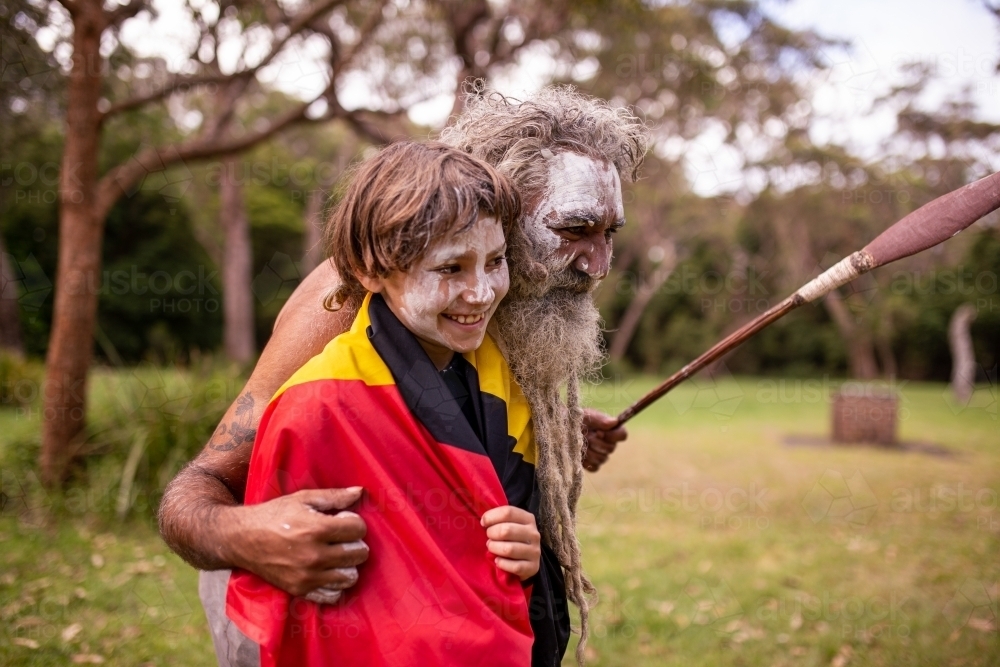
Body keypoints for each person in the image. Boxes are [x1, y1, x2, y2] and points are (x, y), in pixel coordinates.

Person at [159, 86, 648, 666]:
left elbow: (448, 412)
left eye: (608, 233)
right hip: (288, 610)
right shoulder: (346, 300)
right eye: (575, 231)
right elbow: (192, 494)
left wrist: (557, 429)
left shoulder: (496, 295)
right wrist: (255, 537)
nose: (599, 266)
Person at [226, 140, 566, 666]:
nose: (480, 293)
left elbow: (500, 514)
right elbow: (295, 612)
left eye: (495, 261)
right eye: (451, 268)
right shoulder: (316, 406)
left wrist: (527, 548)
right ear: (369, 270)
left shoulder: (498, 378)